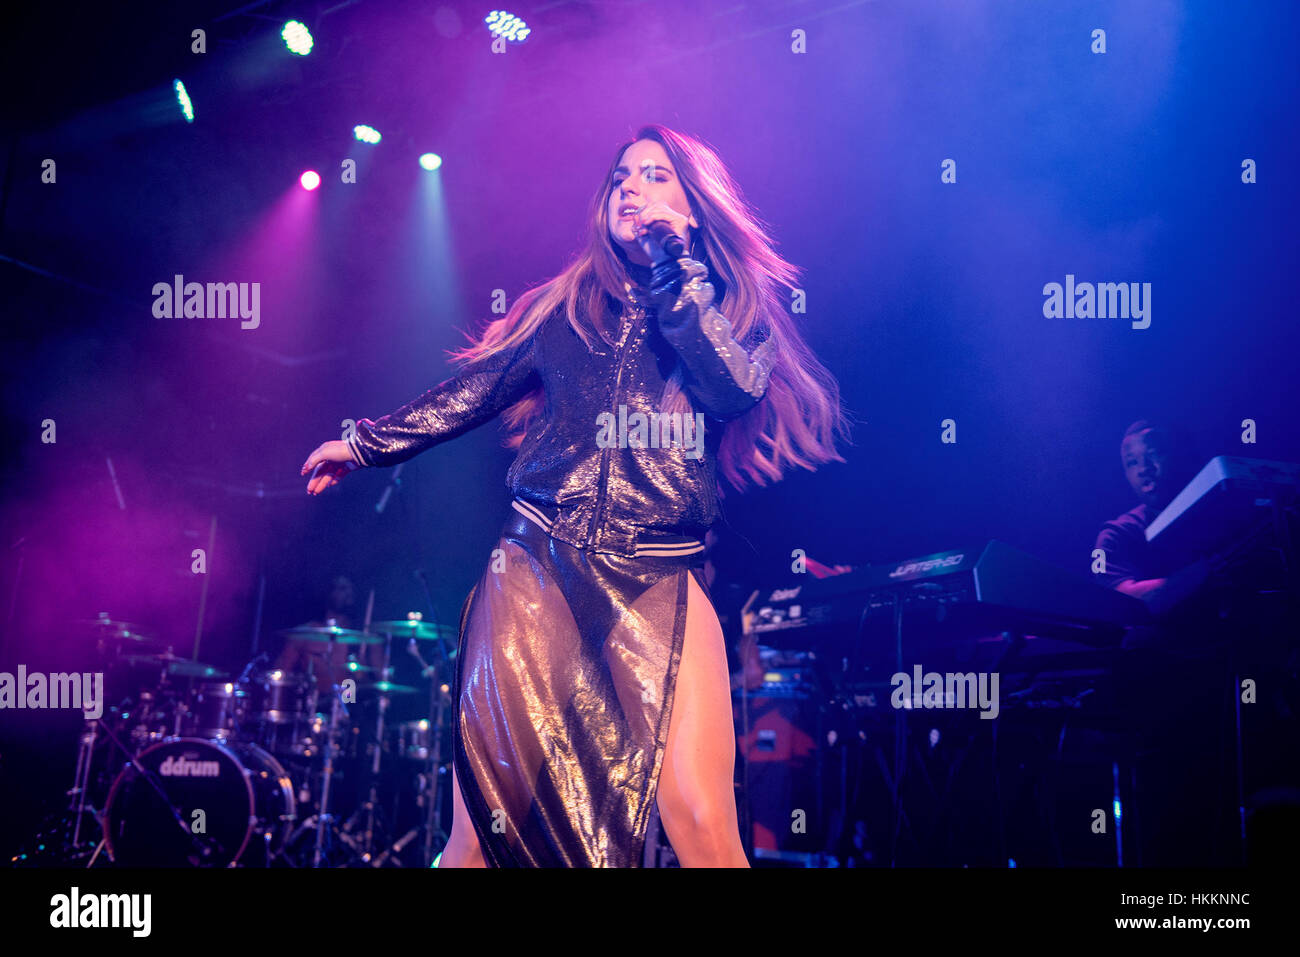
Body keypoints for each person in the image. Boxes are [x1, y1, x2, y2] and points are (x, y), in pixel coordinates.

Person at [301, 125, 847, 867]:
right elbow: (479, 385)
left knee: (703, 820)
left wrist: (674, 269)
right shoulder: (565, 308)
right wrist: (368, 442)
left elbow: (727, 386)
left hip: (657, 577)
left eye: (655, 175)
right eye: (621, 175)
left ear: (693, 203)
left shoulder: (729, 313)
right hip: (537, 569)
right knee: (477, 835)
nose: (630, 186)